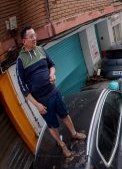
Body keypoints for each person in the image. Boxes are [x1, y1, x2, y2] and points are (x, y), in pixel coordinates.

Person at [16, 26, 86, 158]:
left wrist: (52, 74)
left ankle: (74, 133)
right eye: (31, 36)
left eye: (35, 35)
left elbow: (52, 65)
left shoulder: (41, 50)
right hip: (42, 101)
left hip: (54, 92)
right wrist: (37, 105)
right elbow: (23, 88)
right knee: (52, 124)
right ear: (24, 40)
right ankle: (62, 145)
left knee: (65, 114)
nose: (34, 38)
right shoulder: (20, 61)